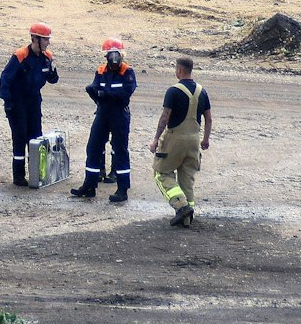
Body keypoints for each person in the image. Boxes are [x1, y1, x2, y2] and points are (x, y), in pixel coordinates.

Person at [150, 56, 213, 228]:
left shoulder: (173, 91)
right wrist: (206, 139)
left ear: (179, 69)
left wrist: (156, 139)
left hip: (174, 140)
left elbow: (165, 117)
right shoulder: (202, 91)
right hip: (194, 141)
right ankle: (186, 219)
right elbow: (208, 118)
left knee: (161, 173)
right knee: (187, 179)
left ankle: (181, 206)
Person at [71, 39, 137, 203]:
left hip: (119, 114)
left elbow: (125, 94)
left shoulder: (128, 72)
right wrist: (95, 93)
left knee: (120, 150)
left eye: (117, 55)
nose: (114, 59)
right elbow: (95, 88)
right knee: (93, 147)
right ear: (106, 56)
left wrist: (104, 94)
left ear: (121, 56)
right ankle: (89, 185)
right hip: (102, 113)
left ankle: (122, 189)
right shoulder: (100, 71)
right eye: (111, 55)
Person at [0, 23, 59, 186]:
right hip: (17, 102)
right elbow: (5, 79)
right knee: (20, 137)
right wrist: (7, 102)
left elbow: (52, 79)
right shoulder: (20, 56)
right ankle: (18, 176)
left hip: (34, 101)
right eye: (45, 39)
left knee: (35, 136)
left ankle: (36, 173)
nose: (48, 43)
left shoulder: (47, 57)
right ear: (35, 39)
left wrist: (53, 73)